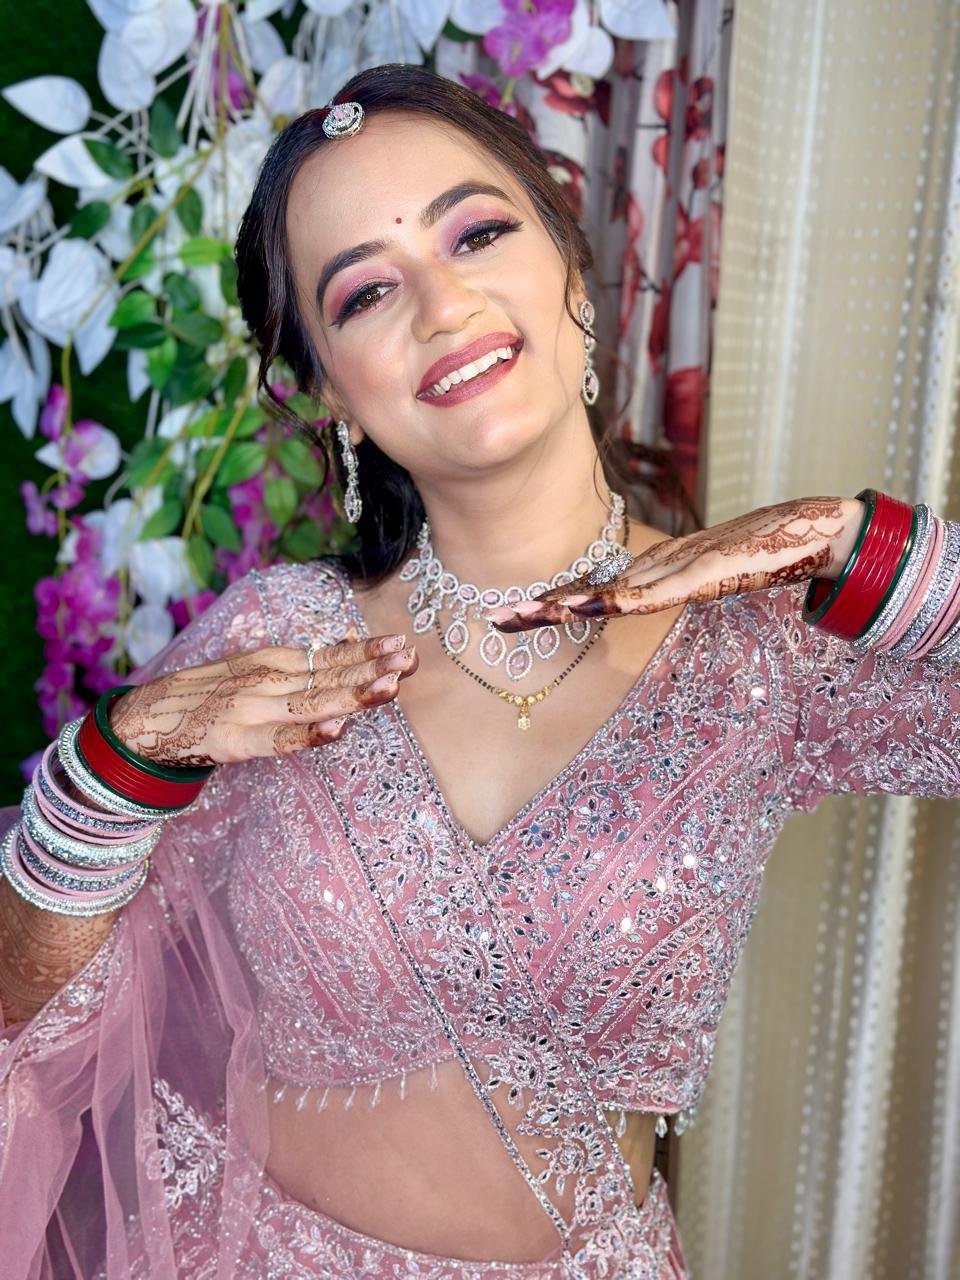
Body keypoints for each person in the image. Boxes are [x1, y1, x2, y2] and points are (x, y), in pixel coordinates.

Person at [1, 62, 958, 1280]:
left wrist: (864, 547)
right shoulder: (276, 642)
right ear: (331, 394)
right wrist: (101, 777)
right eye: (365, 292)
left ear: (575, 274)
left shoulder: (763, 652)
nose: (443, 304)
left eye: (478, 234)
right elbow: (28, 1018)